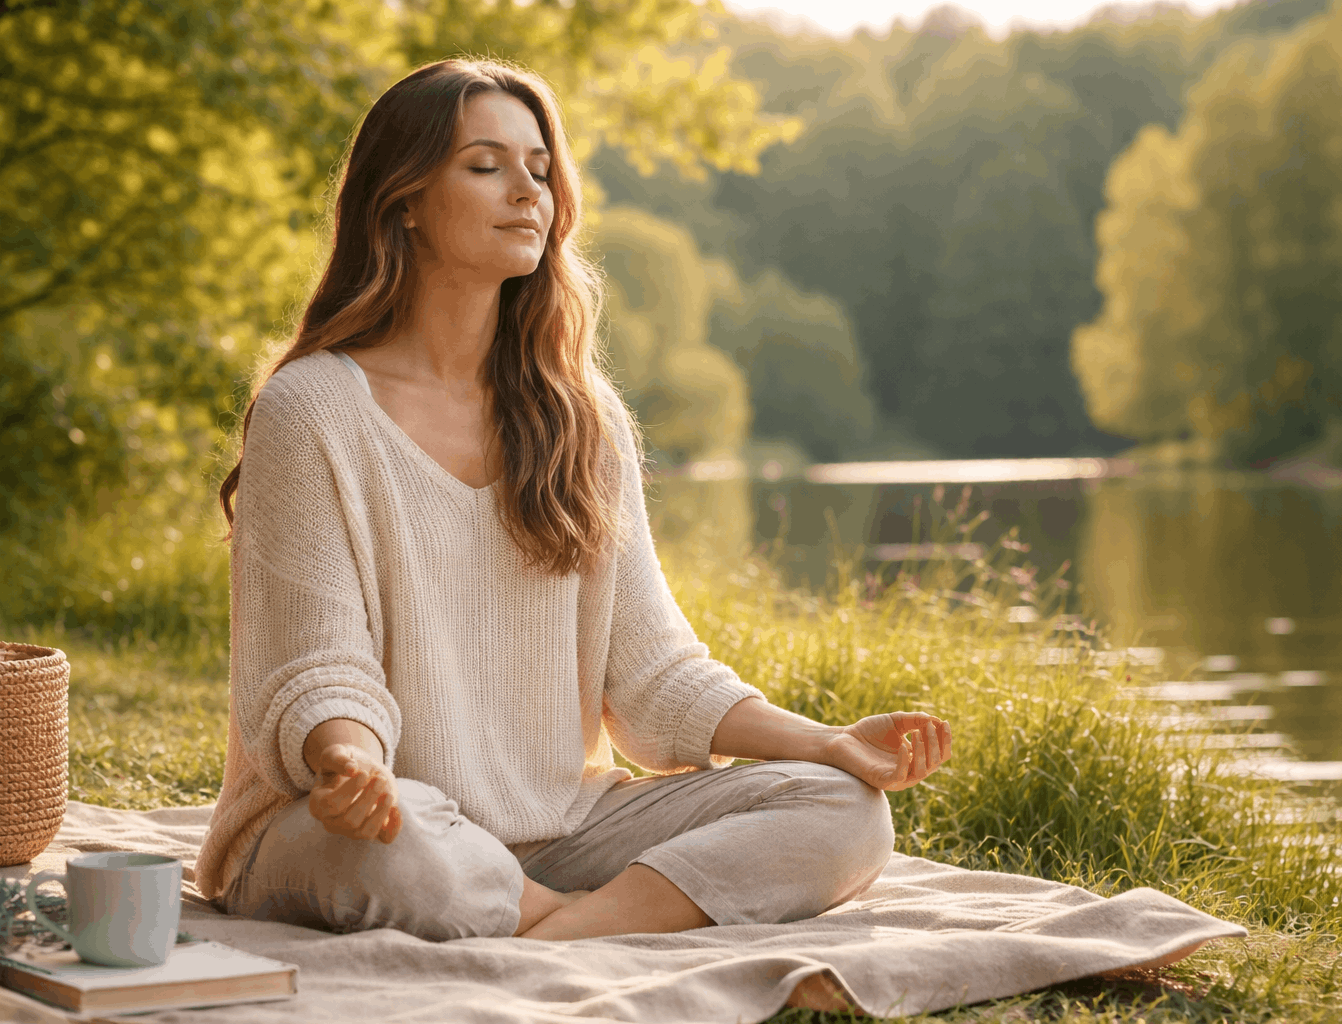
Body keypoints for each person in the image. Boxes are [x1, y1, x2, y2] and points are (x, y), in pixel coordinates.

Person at [193, 58, 952, 1008]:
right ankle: (588, 916)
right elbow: (318, 666)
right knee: (405, 856)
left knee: (844, 813)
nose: (528, 193)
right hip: (365, 819)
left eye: (541, 168)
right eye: (486, 166)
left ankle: (546, 926)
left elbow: (655, 674)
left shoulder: (577, 418)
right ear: (406, 201)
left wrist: (825, 741)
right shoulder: (313, 410)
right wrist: (351, 764)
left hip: (563, 828)